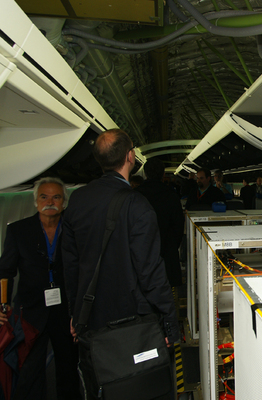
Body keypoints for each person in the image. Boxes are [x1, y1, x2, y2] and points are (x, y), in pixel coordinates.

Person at [62, 129, 178, 399]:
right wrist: (170, 325)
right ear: (131, 156)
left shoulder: (77, 200)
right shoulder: (137, 205)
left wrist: (74, 312)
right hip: (132, 320)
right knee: (137, 385)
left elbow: (70, 265)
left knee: (103, 385)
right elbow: (150, 272)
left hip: (92, 317)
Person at [0, 177, 81, 400]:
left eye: (56, 197)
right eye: (44, 197)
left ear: (64, 202)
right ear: (35, 201)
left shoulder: (76, 230)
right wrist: (3, 304)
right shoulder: (18, 231)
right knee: (30, 369)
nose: (50, 202)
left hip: (66, 310)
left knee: (68, 367)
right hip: (31, 310)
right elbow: (5, 271)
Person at [137, 158, 184, 287]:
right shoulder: (171, 195)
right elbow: (178, 226)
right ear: (163, 174)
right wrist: (172, 246)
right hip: (166, 251)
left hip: (141, 253)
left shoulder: (135, 195)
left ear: (145, 174)